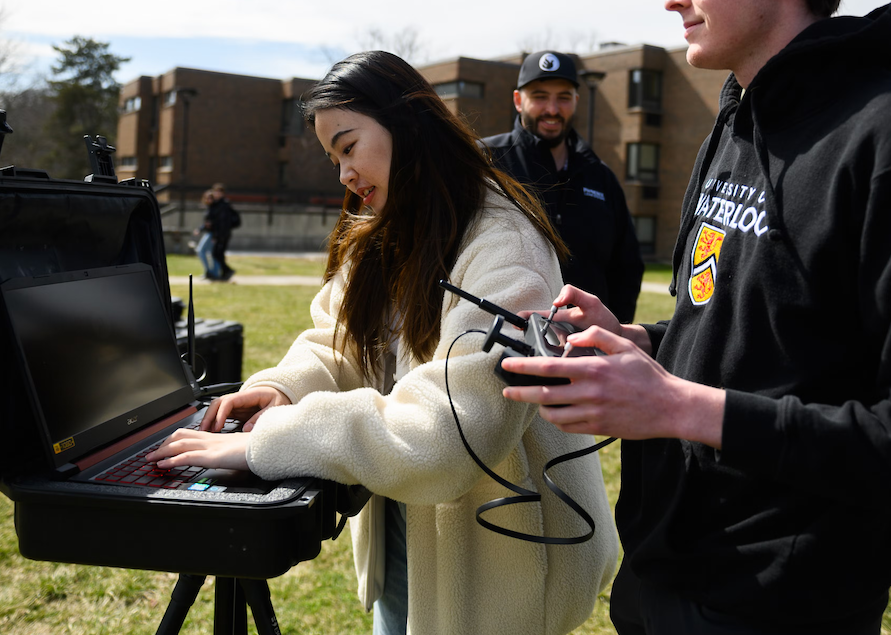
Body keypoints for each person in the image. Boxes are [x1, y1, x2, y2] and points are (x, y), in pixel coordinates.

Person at [499, 0, 891, 635]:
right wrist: (648, 342)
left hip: (783, 602)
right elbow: (767, 340)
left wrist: (677, 404)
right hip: (666, 571)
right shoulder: (736, 120)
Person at [148, 51, 618, 635]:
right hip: (409, 529)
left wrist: (266, 441)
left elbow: (452, 433)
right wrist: (282, 388)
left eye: (349, 146)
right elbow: (339, 342)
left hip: (503, 562)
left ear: (410, 125)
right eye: (333, 157)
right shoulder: (383, 227)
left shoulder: (505, 245)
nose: (343, 172)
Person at [482, 51, 645, 323]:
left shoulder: (600, 177)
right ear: (518, 101)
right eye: (540, 97)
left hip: (584, 351)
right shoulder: (486, 163)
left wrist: (612, 332)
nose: (553, 109)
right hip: (502, 343)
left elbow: (626, 268)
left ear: (576, 102)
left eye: (563, 98)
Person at [207, 183, 238, 281]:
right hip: (220, 233)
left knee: (217, 253)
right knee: (218, 254)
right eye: (215, 192)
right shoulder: (216, 204)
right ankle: (225, 273)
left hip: (223, 234)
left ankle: (227, 271)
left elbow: (222, 222)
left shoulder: (223, 205)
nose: (216, 194)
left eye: (219, 192)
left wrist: (218, 235)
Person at [192, 189, 219, 279]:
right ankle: (211, 273)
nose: (208, 200)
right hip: (209, 233)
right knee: (210, 253)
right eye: (207, 198)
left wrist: (215, 236)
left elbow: (217, 223)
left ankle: (211, 272)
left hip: (212, 234)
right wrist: (200, 229)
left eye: (210, 198)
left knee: (201, 250)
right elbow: (207, 223)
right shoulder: (210, 208)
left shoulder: (215, 209)